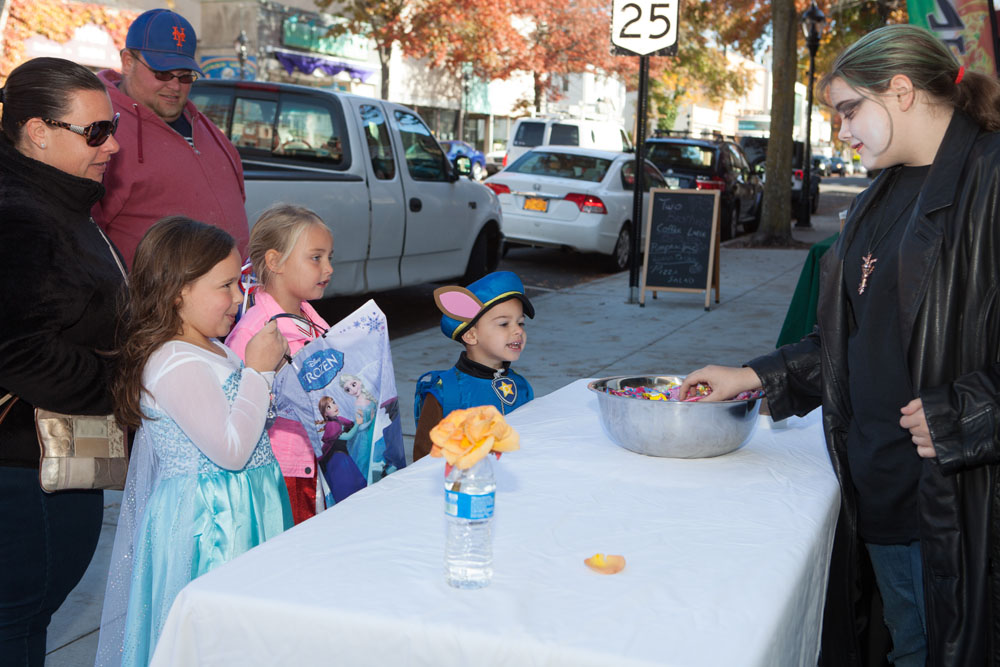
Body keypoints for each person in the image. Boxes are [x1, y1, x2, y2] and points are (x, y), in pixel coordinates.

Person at [679, 24, 1000, 667]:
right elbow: (851, 341)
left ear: (902, 91)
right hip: (876, 497)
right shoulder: (878, 191)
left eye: (849, 109)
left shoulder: (990, 177)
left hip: (955, 513)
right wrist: (752, 377)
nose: (841, 131)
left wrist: (974, 411)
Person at [95, 217, 292, 666]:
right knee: (215, 640)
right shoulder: (173, 360)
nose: (237, 298)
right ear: (178, 291)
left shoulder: (214, 348)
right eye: (225, 286)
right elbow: (230, 450)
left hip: (247, 504)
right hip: (212, 521)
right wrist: (258, 371)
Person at [0, 57, 124, 666]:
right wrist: (123, 381)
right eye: (95, 132)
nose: (113, 144)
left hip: (45, 468)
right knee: (16, 624)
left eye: (113, 126)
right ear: (37, 131)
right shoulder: (22, 213)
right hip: (26, 474)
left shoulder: (56, 199)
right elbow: (16, 348)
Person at [93, 9, 249, 267]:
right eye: (162, 74)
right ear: (128, 62)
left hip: (232, 299)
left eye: (185, 75)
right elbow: (87, 235)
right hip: (150, 304)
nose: (175, 86)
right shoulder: (101, 127)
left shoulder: (205, 127)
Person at [226, 204, 335, 523]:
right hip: (282, 472)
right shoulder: (255, 331)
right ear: (275, 261)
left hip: (317, 463)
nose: (327, 268)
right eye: (316, 258)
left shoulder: (311, 317)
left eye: (330, 258)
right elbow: (239, 405)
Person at [413, 271, 534, 461]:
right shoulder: (445, 392)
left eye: (520, 323)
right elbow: (423, 461)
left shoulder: (521, 386)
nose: (518, 331)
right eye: (504, 324)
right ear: (470, 335)